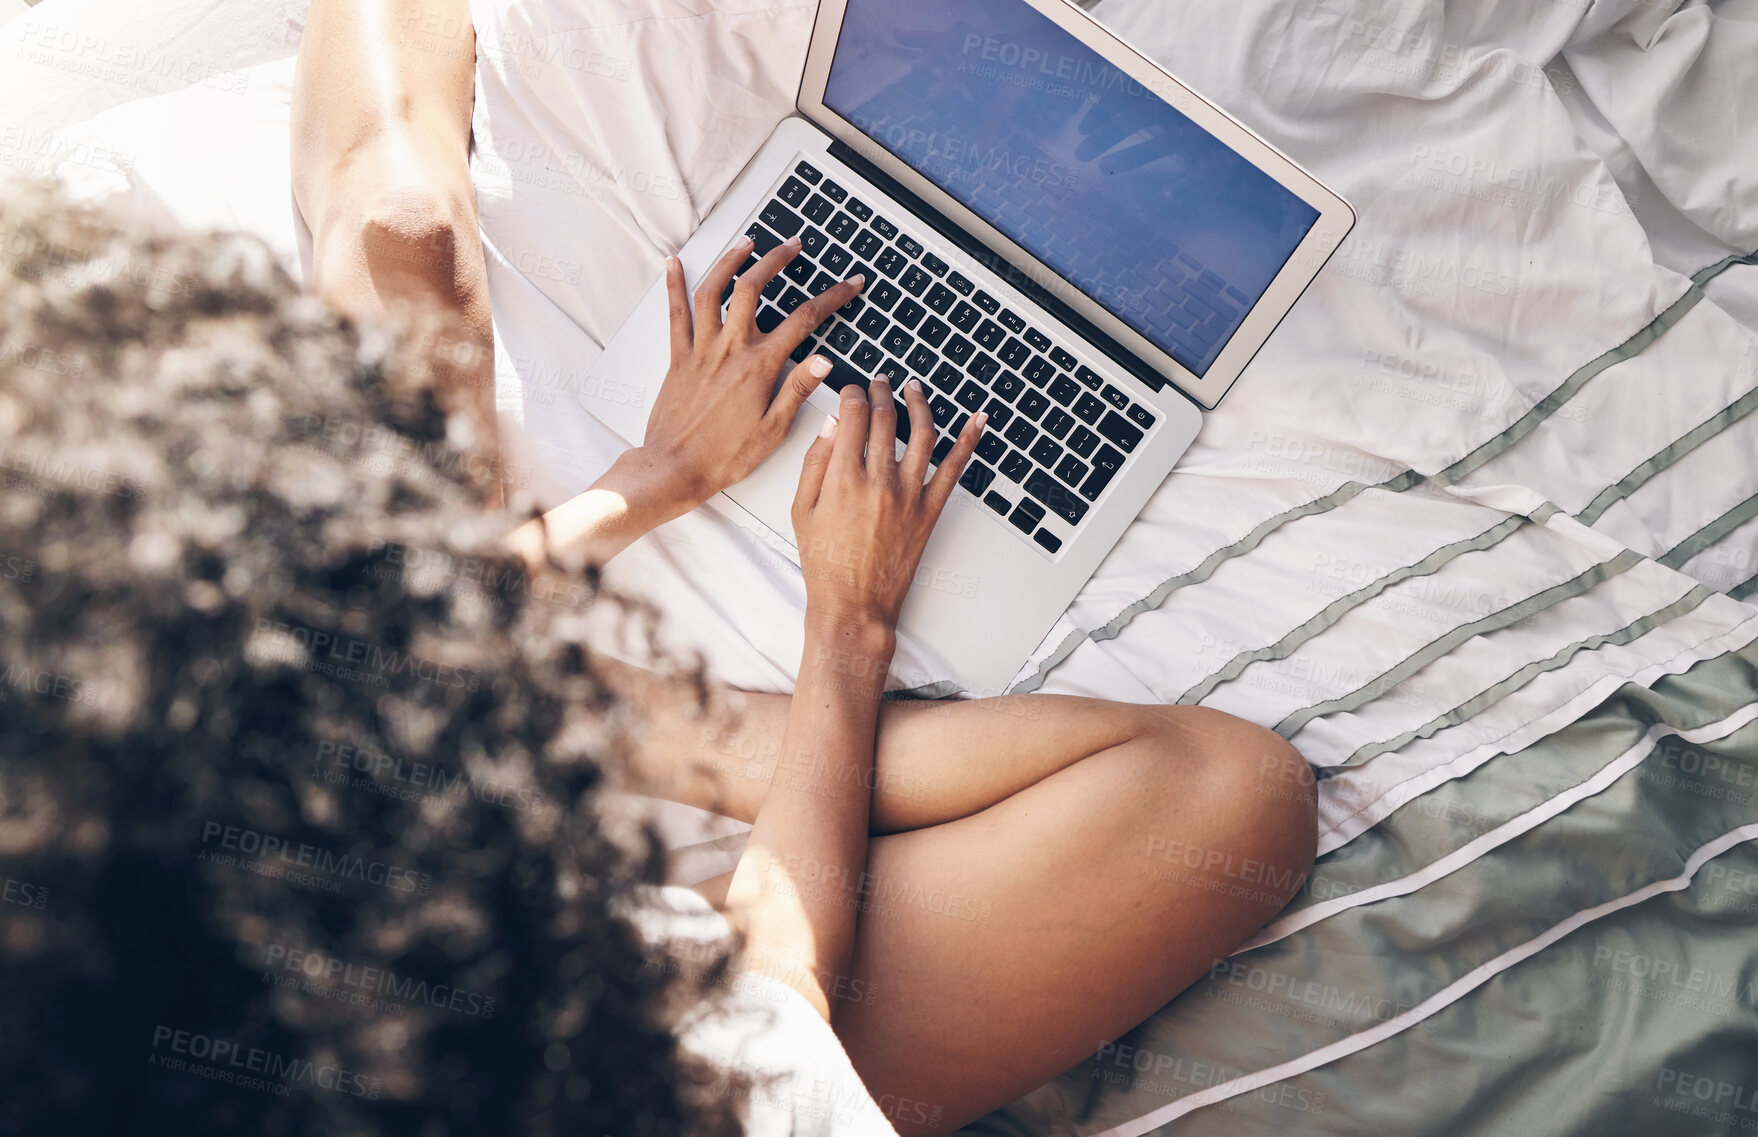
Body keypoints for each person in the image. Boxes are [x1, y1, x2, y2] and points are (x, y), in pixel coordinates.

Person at [289, 0, 1319, 1124]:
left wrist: (656, 478)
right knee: (1238, 798)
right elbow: (783, 971)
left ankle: (572, 705)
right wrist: (848, 622)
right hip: (642, 1049)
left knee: (403, 234)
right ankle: (609, 715)